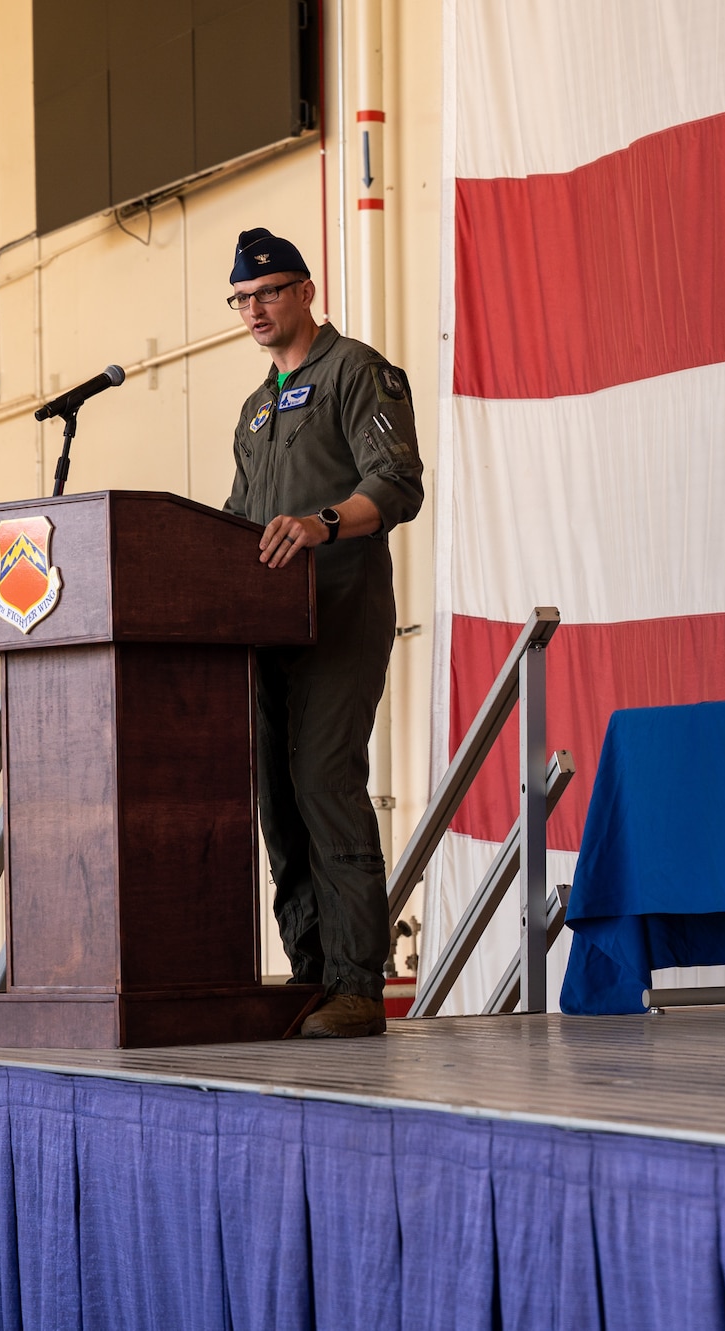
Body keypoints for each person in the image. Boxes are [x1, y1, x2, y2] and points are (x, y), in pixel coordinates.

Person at [222, 227, 423, 1038]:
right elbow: (238, 521)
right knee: (279, 797)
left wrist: (323, 523)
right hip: (268, 628)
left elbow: (398, 484)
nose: (254, 310)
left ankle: (354, 983)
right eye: (241, 299)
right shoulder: (255, 408)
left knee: (323, 780)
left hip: (340, 611)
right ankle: (309, 977)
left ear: (305, 291)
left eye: (268, 292)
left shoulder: (357, 372)